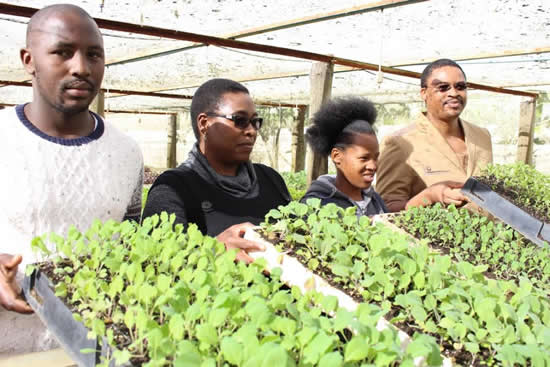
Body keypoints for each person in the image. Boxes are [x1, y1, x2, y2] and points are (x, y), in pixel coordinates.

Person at [0, 4, 143, 355]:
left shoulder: (127, 152)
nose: (81, 67)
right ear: (29, 60)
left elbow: (133, 245)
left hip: (99, 350)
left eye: (94, 55)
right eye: (63, 52)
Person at [143, 78, 290, 262]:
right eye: (240, 120)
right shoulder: (172, 189)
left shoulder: (270, 179)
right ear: (205, 124)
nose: (251, 131)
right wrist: (214, 249)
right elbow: (159, 262)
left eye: (255, 122)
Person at [375, 59, 493, 212]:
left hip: (489, 234)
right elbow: (386, 209)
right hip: (430, 236)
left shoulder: (482, 136)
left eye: (460, 87)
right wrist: (430, 196)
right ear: (424, 93)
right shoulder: (400, 143)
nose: (454, 93)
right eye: (443, 88)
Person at [300, 97, 387, 216]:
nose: (373, 166)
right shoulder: (316, 205)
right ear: (337, 156)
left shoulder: (376, 201)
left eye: (375, 158)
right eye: (364, 158)